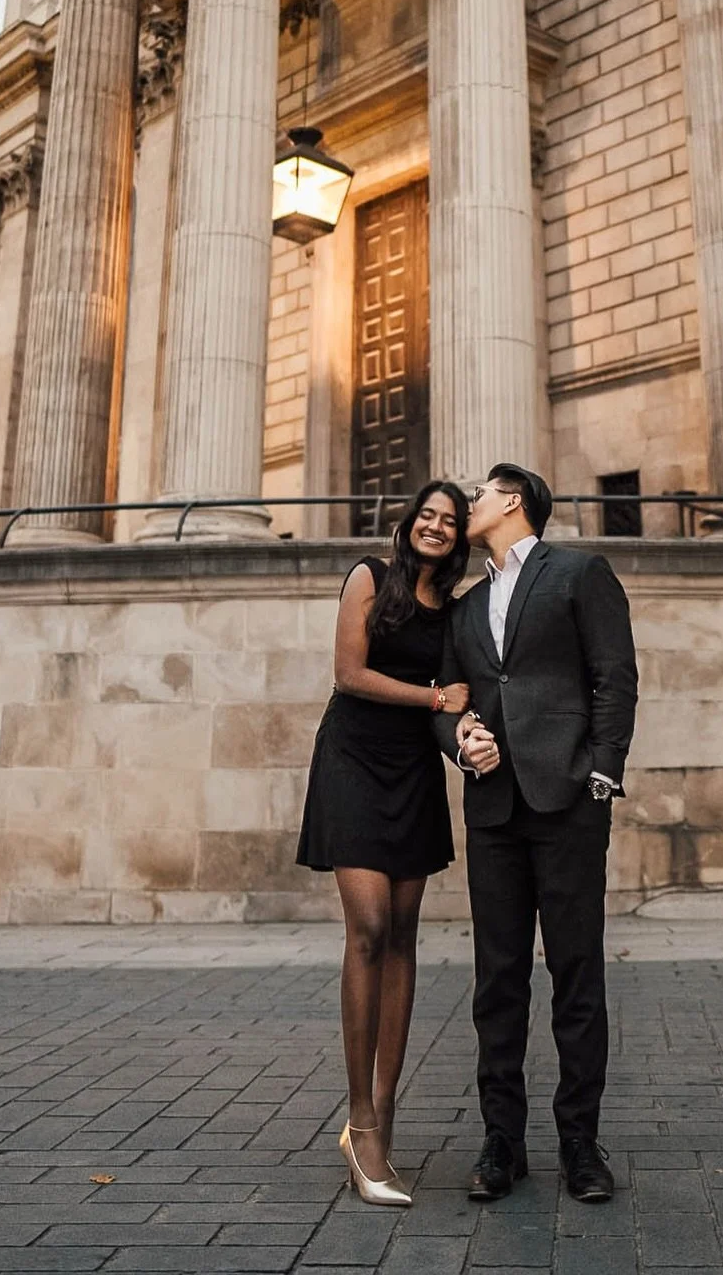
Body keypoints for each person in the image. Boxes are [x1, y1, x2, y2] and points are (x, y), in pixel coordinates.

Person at [435, 463, 638, 1205]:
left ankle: (581, 1144)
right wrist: (462, 738)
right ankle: (503, 1143)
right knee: (498, 979)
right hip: (493, 810)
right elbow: (446, 699)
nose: (468, 502)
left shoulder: (579, 573)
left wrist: (602, 771)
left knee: (577, 976)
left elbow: (614, 676)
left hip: (568, 802)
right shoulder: (463, 605)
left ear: (513, 500)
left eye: (479, 493)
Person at [296, 480, 472, 1206]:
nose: (435, 526)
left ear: (459, 538)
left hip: (412, 770)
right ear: (408, 525)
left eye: (449, 521)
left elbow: (465, 692)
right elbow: (349, 673)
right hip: (354, 760)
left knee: (402, 936)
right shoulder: (370, 576)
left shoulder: (454, 610)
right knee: (367, 928)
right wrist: (434, 697)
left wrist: (467, 728)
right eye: (426, 515)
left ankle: (386, 1111)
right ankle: (360, 1119)